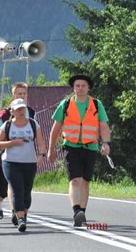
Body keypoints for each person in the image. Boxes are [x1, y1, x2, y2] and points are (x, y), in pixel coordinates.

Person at [48, 74, 110, 227]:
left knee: (86, 182)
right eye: (77, 85)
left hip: (91, 147)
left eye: (83, 85)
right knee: (75, 180)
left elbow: (103, 126)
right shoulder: (66, 104)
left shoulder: (96, 104)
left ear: (88, 88)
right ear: (73, 88)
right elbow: (55, 129)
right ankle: (76, 211)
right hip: (71, 146)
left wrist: (106, 143)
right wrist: (51, 149)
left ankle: (82, 211)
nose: (80, 88)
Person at [0, 98, 47, 232]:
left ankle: (23, 213)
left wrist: (41, 156)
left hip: (29, 162)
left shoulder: (34, 124)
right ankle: (21, 219)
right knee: (17, 189)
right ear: (12, 111)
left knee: (26, 192)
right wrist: (11, 144)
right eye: (18, 109)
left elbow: (41, 143)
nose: (21, 111)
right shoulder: (7, 125)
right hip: (10, 162)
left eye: (23, 108)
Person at [0, 82, 35, 224]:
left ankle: (21, 210)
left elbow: (36, 133)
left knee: (25, 188)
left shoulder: (31, 112)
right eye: (19, 94)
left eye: (24, 93)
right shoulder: (5, 114)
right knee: (14, 185)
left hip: (27, 156)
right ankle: (15, 210)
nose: (21, 96)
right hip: (9, 156)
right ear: (13, 95)